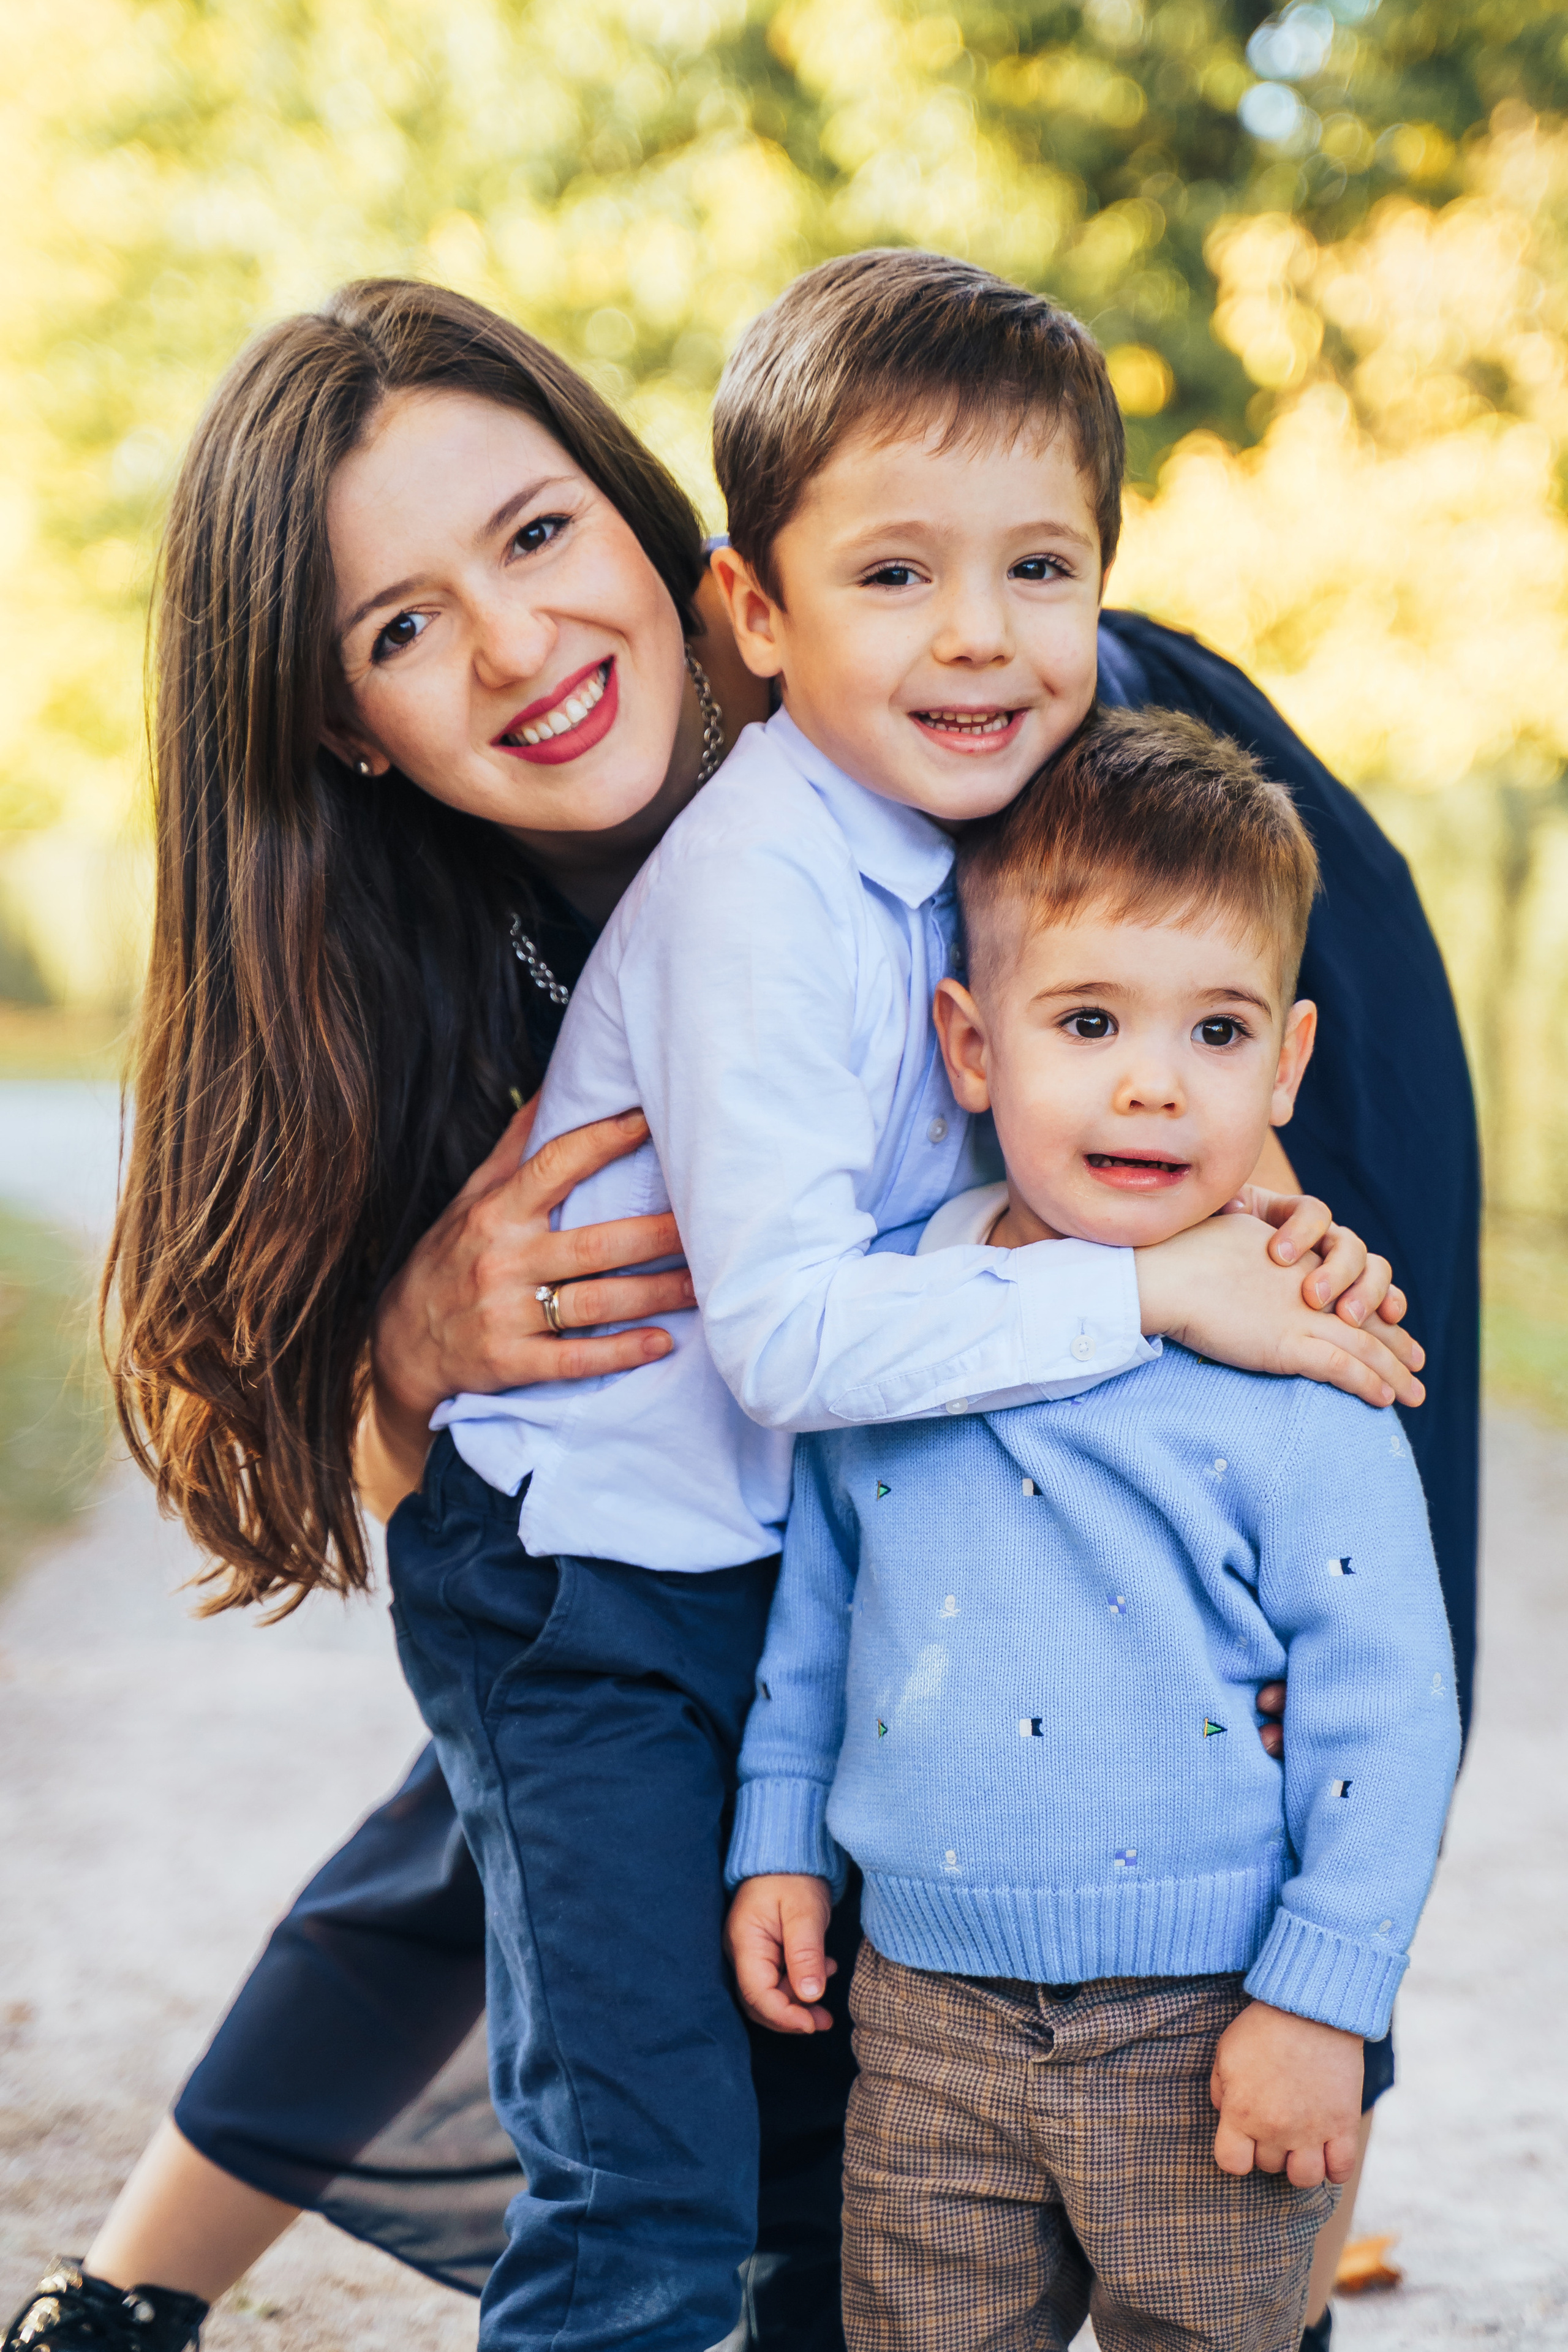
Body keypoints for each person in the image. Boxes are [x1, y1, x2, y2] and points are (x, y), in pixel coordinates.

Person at [0, 261, 1471, 2352]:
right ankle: (140, 2288)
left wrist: (1252, 1227)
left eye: (534, 536)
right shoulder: (475, 925)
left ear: (669, 549)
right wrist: (408, 1338)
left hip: (1211, 938)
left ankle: (1235, 2157)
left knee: (1276, 1584)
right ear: (340, 718)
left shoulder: (979, 696)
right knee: (641, 2050)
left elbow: (1288, 1445)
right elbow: (497, 1503)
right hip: (674, 1523)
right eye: (402, 627)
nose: (514, 643)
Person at [722, 706, 1462, 2352]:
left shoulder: (1297, 1348)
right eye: (1088, 1019)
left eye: (1215, 1031)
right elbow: (822, 1616)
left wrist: (1318, 2002)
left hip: (1209, 2020)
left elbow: (1386, 1705)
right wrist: (780, 1832)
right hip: (922, 2018)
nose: (1150, 1078)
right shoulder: (902, 1311)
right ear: (974, 1048)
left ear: (1286, 1064)